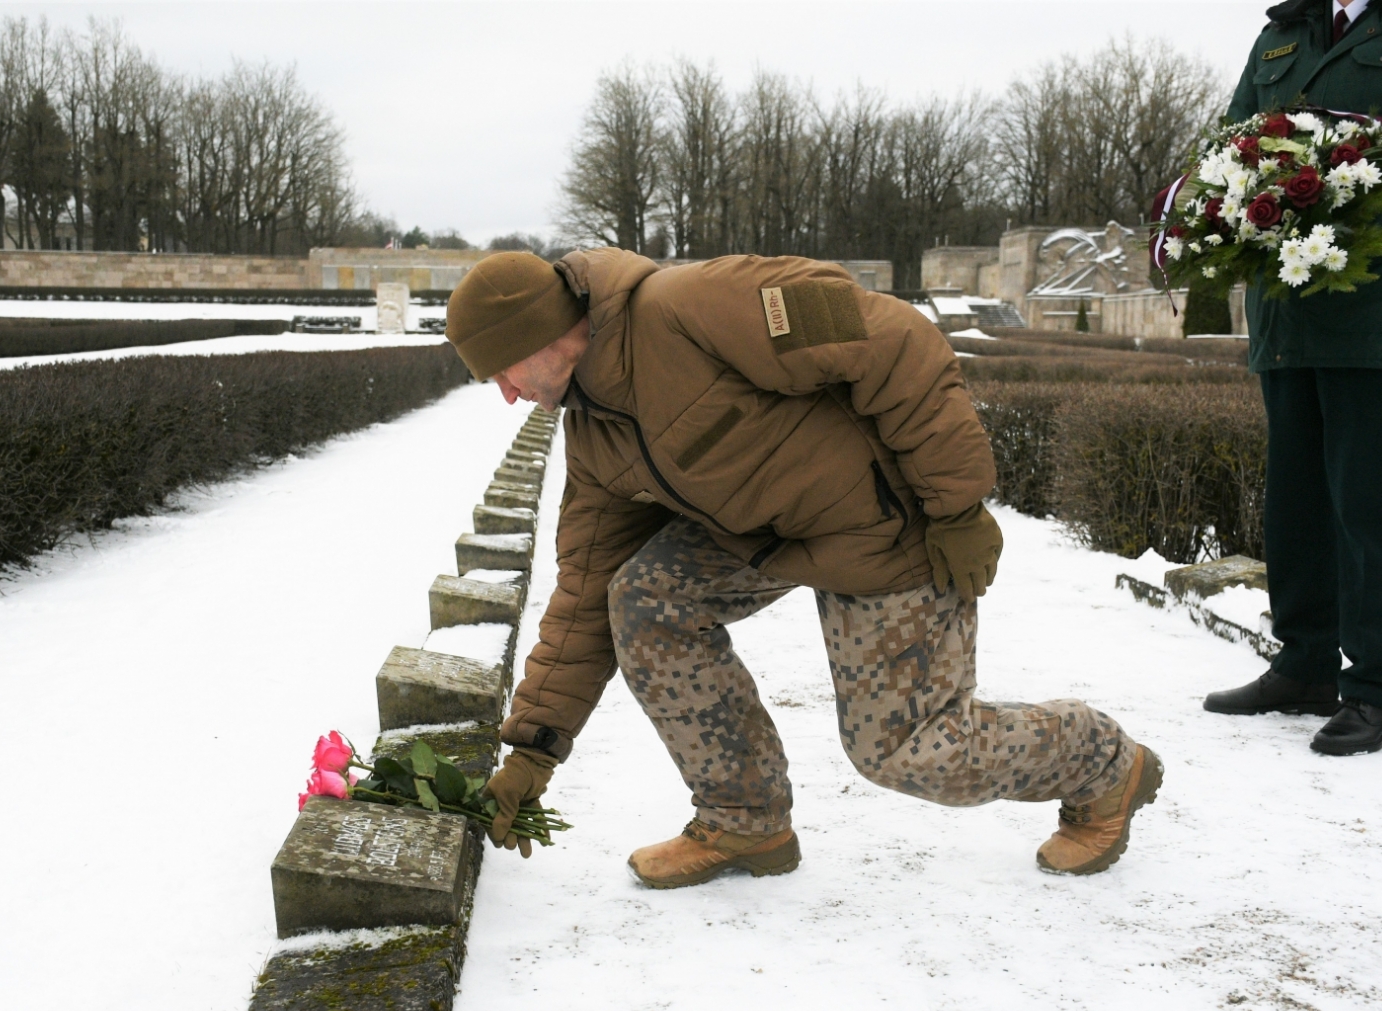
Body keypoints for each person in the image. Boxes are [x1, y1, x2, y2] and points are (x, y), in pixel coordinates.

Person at [445, 249, 1162, 887]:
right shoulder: (595, 435)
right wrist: (533, 752)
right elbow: (583, 592)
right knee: (641, 595)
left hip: (886, 525)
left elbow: (895, 341)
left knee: (907, 749)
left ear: (537, 334)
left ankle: (1105, 765)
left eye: (500, 372)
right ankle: (744, 816)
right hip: (774, 536)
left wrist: (957, 505)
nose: (506, 395)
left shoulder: (690, 308)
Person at [1204, 0, 1382, 755]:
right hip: (1285, 309)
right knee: (1294, 498)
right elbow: (1231, 145)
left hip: (1378, 306)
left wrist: (1353, 212)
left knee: (1371, 503)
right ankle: (1302, 665)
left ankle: (1371, 687)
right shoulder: (1283, 31)